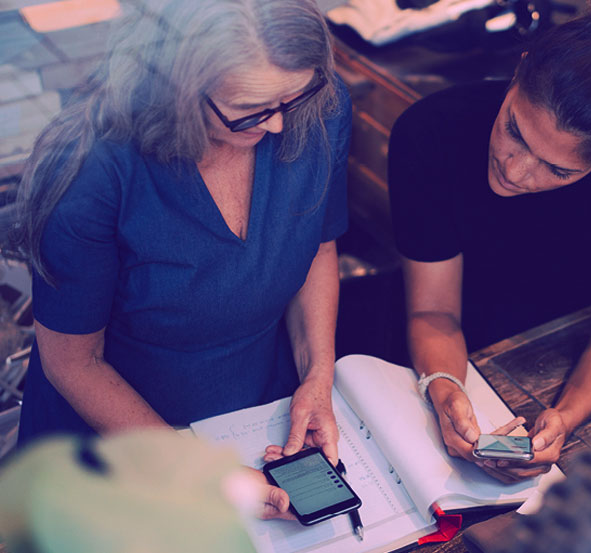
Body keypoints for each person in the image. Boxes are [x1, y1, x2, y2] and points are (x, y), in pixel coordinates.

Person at [15, 0, 350, 519]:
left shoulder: (315, 107)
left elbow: (317, 247)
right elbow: (73, 361)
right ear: (177, 86)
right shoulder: (92, 168)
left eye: (292, 96)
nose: (281, 125)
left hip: (253, 412)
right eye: (252, 109)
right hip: (113, 443)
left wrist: (317, 376)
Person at [388, 0, 591, 482]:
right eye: (514, 130)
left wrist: (565, 416)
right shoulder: (431, 132)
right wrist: (445, 386)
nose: (514, 170)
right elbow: (433, 312)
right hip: (439, 341)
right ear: (520, 70)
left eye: (558, 169)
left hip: (561, 343)